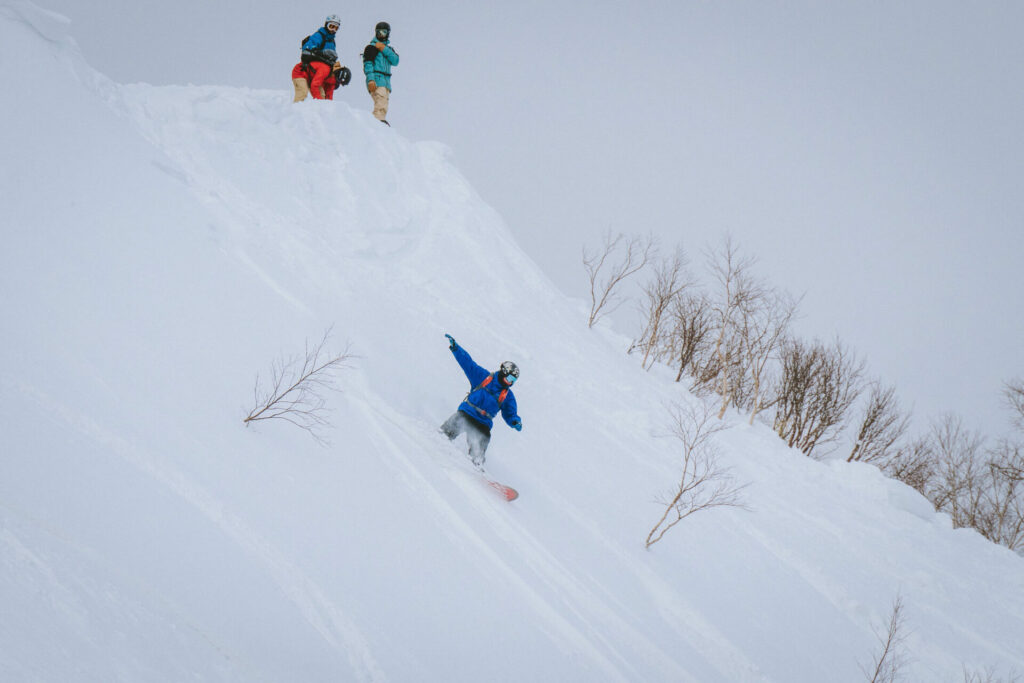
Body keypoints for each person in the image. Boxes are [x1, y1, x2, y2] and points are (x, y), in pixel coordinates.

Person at [441, 334, 522, 468]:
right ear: (503, 372)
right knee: (451, 428)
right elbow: (468, 364)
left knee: (482, 441)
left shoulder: (507, 395)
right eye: (509, 379)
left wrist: (514, 420)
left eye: (513, 381)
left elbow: (510, 413)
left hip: (483, 424)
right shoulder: (483, 377)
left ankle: (476, 464)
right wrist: (456, 348)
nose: (510, 383)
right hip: (467, 414)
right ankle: (438, 438)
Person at [362, 21, 399, 124]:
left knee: (384, 102)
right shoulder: (371, 48)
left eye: (384, 32)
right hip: (377, 78)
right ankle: (377, 121)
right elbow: (368, 64)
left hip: (386, 81)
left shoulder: (388, 49)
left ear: (388, 34)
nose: (381, 35)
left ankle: (379, 120)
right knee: (381, 101)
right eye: (379, 32)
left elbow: (395, 61)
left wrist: (384, 49)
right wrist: (370, 80)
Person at [299, 14, 342, 100]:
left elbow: (333, 59)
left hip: (325, 72)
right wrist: (318, 52)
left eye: (336, 28)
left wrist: (338, 71)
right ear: (326, 25)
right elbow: (307, 47)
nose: (333, 30)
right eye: (331, 26)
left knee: (326, 94)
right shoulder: (319, 35)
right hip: (316, 68)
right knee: (320, 94)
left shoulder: (332, 41)